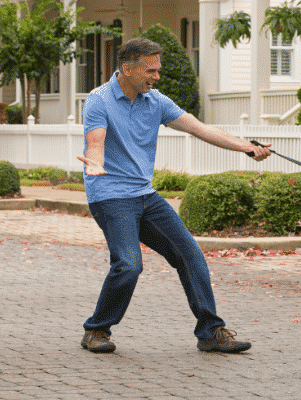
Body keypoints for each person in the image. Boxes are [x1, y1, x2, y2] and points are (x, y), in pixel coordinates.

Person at [77, 37, 271, 353]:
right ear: (127, 68)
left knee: (189, 253)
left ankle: (210, 332)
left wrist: (247, 147)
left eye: (158, 70)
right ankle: (96, 330)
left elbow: (200, 128)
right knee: (129, 264)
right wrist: (95, 162)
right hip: (110, 195)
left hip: (144, 195)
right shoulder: (99, 100)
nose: (156, 76)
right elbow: (95, 141)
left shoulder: (156, 102)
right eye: (150, 71)